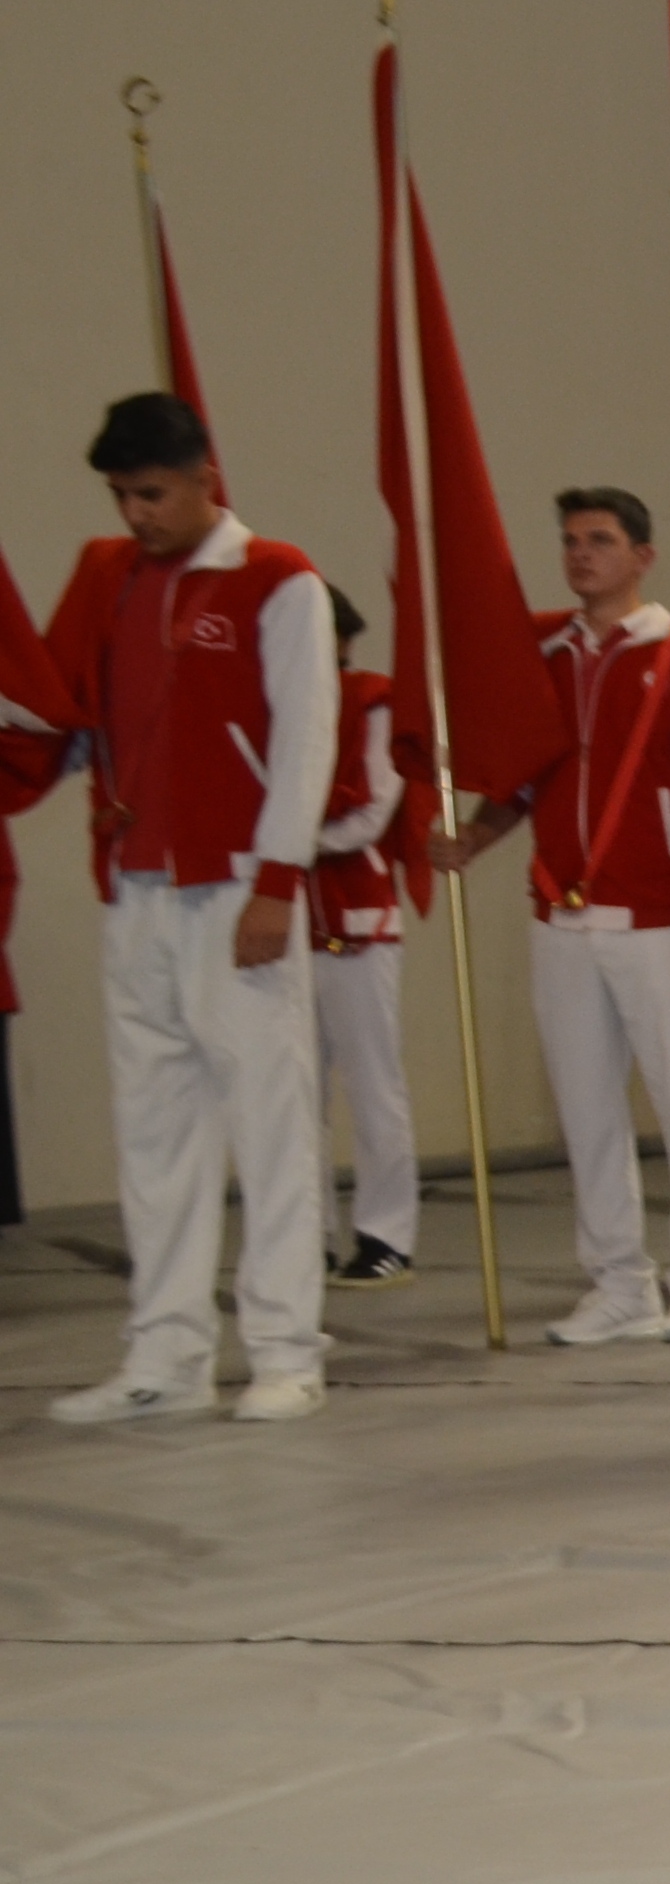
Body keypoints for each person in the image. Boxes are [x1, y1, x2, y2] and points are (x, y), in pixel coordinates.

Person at [34, 393, 337, 1423]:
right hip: (137, 886)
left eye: (151, 493)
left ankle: (288, 1351)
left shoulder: (277, 579)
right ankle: (162, 1356)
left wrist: (278, 882)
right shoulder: (106, 578)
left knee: (269, 1121)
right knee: (154, 1131)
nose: (135, 514)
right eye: (121, 495)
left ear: (207, 477)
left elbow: (304, 740)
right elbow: (64, 711)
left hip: (237, 884)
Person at [436, 484, 670, 1355]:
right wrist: (473, 839)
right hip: (561, 920)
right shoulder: (545, 655)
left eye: (600, 540)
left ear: (642, 556)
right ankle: (620, 1284)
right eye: (571, 540)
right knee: (587, 1110)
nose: (581, 555)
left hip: (660, 919)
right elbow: (524, 780)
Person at [308, 595, 422, 1291]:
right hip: (284, 923)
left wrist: (274, 847)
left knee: (373, 1082)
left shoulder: (372, 701)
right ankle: (306, 1232)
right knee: (293, 1091)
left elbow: (368, 816)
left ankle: (386, 1235)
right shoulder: (266, 703)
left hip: (357, 924)